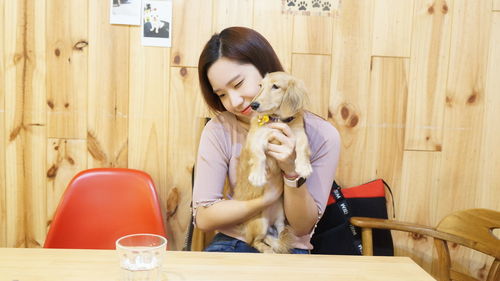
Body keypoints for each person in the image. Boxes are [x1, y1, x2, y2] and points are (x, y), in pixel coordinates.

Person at [193, 26, 341, 254]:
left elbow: (302, 227)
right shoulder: (219, 130)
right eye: (221, 94)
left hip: (288, 249)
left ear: (266, 70)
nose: (234, 101)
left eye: (238, 84)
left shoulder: (322, 135)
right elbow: (203, 218)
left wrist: (291, 172)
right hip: (232, 243)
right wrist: (265, 199)